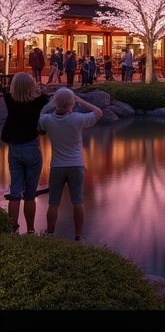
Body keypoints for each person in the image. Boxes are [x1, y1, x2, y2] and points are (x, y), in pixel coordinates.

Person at [38, 87, 103, 241]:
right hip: (76, 165)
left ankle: (50, 233)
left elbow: (39, 122)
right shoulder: (78, 119)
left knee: (53, 202)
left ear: (55, 103)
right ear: (72, 104)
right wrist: (80, 100)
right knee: (77, 202)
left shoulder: (46, 120)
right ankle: (78, 235)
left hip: (57, 166)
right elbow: (98, 112)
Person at [3, 73, 49, 234]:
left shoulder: (9, 100)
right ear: (31, 86)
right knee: (30, 194)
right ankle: (30, 230)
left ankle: (13, 229)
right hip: (31, 148)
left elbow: (8, 91)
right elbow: (45, 98)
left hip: (14, 149)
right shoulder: (38, 102)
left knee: (14, 192)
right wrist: (40, 90)